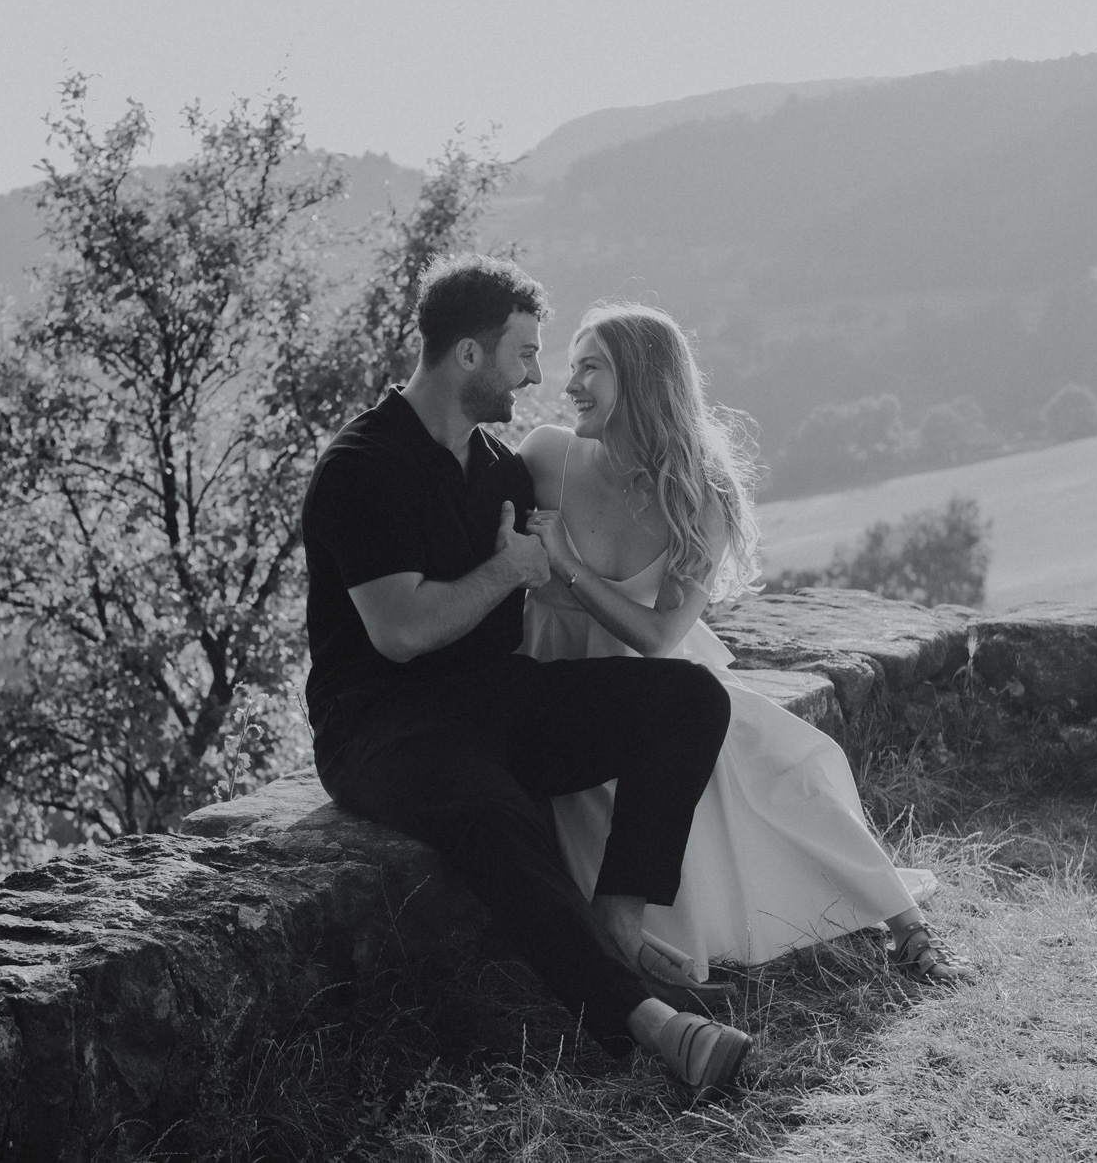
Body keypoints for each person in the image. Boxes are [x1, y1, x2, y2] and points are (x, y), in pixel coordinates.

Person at [300, 256, 754, 1098]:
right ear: (469, 356)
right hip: (382, 724)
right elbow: (399, 633)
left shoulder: (499, 466)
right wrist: (510, 570)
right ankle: (655, 1026)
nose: (538, 376)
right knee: (494, 812)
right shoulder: (361, 467)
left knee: (688, 698)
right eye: (524, 353)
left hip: (494, 698)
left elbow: (598, 514)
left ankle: (621, 909)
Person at [518, 303, 976, 984]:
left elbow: (659, 635)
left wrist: (571, 566)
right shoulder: (544, 454)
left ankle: (905, 922)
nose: (572, 382)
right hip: (557, 681)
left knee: (779, 764)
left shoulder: (704, 493)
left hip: (660, 674)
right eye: (572, 364)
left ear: (642, 380)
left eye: (593, 366)